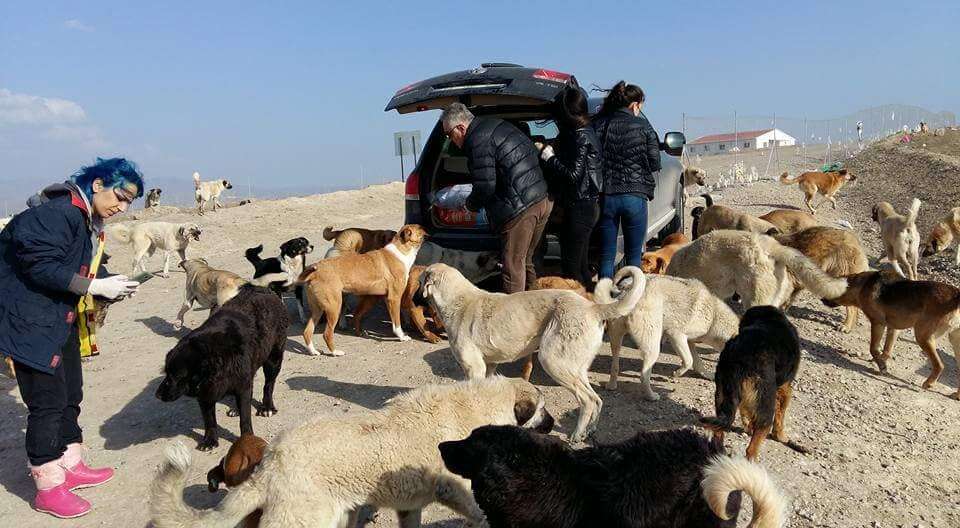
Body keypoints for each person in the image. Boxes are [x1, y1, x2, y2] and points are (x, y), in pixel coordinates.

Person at [0, 158, 144, 518]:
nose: (122, 207)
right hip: (29, 321)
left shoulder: (83, 218)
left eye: (129, 202)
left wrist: (107, 284)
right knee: (46, 402)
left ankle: (70, 461)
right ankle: (48, 485)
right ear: (97, 184)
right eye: (120, 196)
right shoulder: (57, 213)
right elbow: (40, 265)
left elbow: (70, 266)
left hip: (58, 316)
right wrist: (92, 285)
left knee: (69, 391)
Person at [441, 103, 552, 293]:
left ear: (461, 127)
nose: (450, 140)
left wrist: (469, 205)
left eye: (449, 134)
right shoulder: (493, 125)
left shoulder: (477, 140)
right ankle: (537, 308)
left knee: (512, 267)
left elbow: (485, 185)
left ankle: (514, 319)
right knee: (527, 261)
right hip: (541, 197)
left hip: (520, 207)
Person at [591, 81, 661, 278]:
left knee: (606, 255)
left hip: (607, 195)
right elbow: (655, 162)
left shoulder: (599, 123)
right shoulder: (643, 125)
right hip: (635, 195)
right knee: (633, 256)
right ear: (634, 105)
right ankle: (632, 297)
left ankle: (604, 298)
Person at [537, 86, 602, 289]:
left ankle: (582, 308)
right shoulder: (587, 131)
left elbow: (573, 175)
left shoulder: (580, 136)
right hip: (586, 204)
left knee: (572, 267)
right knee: (580, 265)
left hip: (581, 206)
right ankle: (590, 303)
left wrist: (549, 156)